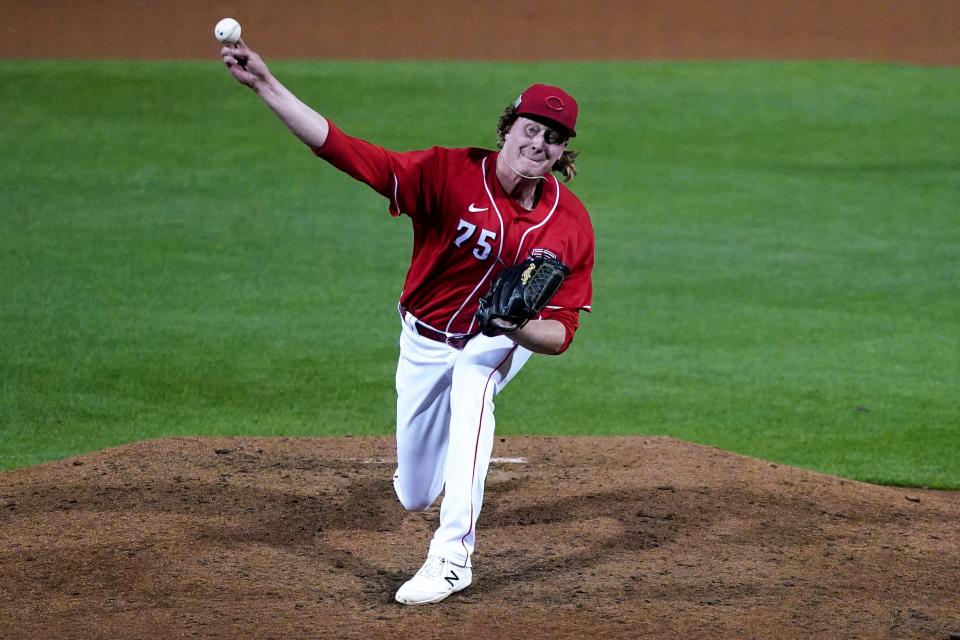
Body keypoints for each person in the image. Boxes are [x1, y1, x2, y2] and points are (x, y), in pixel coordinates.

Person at [220, 40, 594, 605]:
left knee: (475, 380)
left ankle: (452, 557)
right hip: (423, 338)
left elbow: (561, 334)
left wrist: (513, 327)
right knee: (416, 493)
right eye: (530, 128)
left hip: (492, 343)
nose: (538, 143)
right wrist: (267, 85)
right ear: (508, 127)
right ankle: (432, 484)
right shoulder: (446, 173)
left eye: (553, 136)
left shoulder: (569, 223)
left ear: (564, 150)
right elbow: (345, 150)